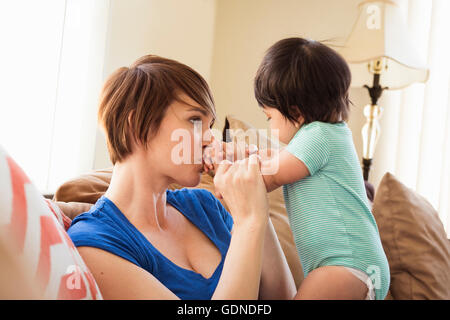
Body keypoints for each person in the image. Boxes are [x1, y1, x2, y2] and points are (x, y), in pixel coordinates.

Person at [67, 55, 296, 300]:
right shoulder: (93, 245)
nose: (211, 139)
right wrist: (248, 220)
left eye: (210, 126)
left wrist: (256, 198)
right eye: (195, 120)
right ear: (135, 126)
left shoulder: (204, 206)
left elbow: (282, 298)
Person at [205, 38, 390, 300]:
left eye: (269, 117)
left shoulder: (319, 137)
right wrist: (238, 153)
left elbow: (267, 176)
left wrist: (226, 170)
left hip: (347, 263)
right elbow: (273, 158)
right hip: (355, 263)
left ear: (296, 112)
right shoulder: (323, 137)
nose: (269, 126)